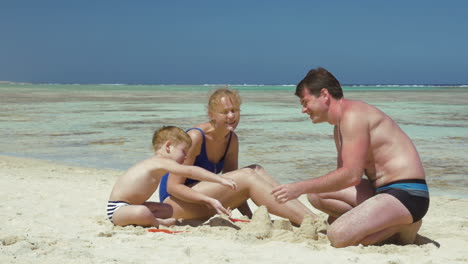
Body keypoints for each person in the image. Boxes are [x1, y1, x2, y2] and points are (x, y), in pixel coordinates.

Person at [272, 67, 429, 247]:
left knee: (337, 235)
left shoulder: (354, 115)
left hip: (408, 194)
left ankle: (403, 226)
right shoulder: (338, 127)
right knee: (316, 195)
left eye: (306, 102)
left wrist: (299, 187)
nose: (304, 110)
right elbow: (343, 179)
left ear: (324, 94)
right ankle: (384, 221)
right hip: (381, 190)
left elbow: (352, 175)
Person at [159, 88, 314, 225]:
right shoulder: (195, 137)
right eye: (225, 112)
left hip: (204, 201)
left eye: (235, 110)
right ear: (211, 114)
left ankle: (310, 217)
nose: (231, 116)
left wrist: (248, 216)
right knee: (247, 174)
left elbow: (235, 187)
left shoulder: (231, 139)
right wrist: (208, 200)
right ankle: (307, 220)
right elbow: (173, 187)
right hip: (175, 204)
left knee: (256, 169)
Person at [107, 126, 237, 227]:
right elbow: (190, 171)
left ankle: (150, 219)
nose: (186, 157)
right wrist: (220, 179)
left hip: (131, 206)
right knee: (143, 212)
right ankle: (158, 223)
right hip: (118, 209)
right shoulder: (160, 161)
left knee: (166, 209)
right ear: (168, 146)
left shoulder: (158, 163)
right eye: (183, 151)